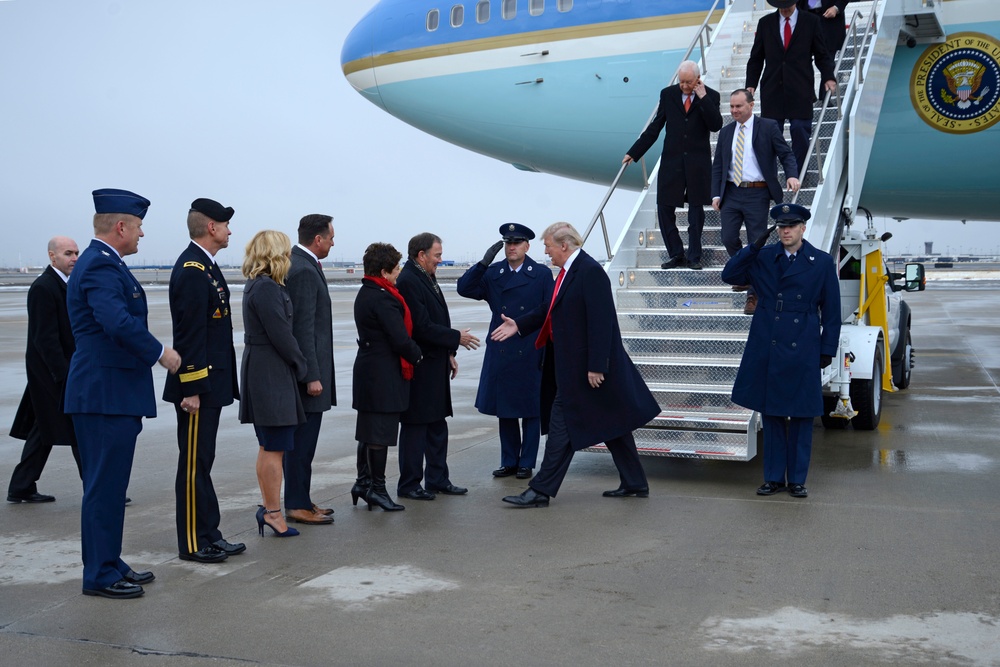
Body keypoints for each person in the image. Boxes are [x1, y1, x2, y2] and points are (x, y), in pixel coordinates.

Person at [492, 222, 660, 508]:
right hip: (572, 365)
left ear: (564, 246)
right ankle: (635, 482)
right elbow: (551, 308)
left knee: (563, 427)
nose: (546, 253)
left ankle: (540, 490)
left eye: (548, 247)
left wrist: (597, 366)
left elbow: (602, 322)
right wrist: (519, 324)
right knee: (613, 422)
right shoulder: (570, 272)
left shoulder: (590, 272)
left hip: (585, 369)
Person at [66, 188, 182, 599]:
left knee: (112, 487)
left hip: (112, 393)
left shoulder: (106, 264)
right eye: (138, 227)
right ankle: (98, 573)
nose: (141, 235)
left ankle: (110, 561)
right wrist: (160, 353)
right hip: (102, 393)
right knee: (103, 487)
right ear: (121, 226)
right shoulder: (98, 266)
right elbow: (115, 322)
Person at [720, 203, 841, 498]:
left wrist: (827, 348)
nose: (786, 230)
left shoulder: (821, 262)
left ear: (802, 228)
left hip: (804, 342)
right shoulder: (762, 257)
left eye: (792, 225)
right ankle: (773, 478)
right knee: (772, 414)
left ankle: (797, 479)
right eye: (781, 226)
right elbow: (729, 274)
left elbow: (833, 311)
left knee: (801, 415)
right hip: (768, 340)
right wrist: (752, 246)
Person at [162, 198, 243, 564]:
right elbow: (190, 334)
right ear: (211, 227)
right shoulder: (193, 270)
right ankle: (193, 542)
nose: (229, 230)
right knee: (194, 465)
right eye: (225, 224)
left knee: (203, 463)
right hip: (199, 386)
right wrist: (191, 388)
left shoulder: (205, 267)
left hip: (210, 384)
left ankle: (210, 533)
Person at [457, 223, 553, 479]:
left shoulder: (541, 274)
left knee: (531, 409)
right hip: (502, 348)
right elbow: (464, 288)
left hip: (530, 346)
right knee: (506, 408)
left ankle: (527, 462)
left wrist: (523, 327)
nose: (512, 247)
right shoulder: (493, 273)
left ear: (527, 246)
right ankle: (509, 461)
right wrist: (482, 263)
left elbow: (548, 309)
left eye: (517, 242)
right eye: (508, 243)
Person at [395, 233, 480, 501]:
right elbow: (420, 326)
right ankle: (409, 484)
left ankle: (437, 478)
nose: (440, 261)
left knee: (436, 426)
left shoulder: (425, 275)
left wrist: (449, 353)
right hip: (420, 366)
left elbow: (436, 319)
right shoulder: (409, 279)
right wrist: (456, 337)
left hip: (435, 363)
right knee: (416, 427)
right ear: (421, 255)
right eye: (437, 255)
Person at [239, 230, 309, 539]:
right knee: (274, 445)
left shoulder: (261, 285)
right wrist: (301, 364)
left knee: (272, 444)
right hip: (270, 373)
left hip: (267, 370)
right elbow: (281, 334)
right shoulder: (266, 288)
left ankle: (270, 510)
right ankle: (272, 512)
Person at [622, 60, 723, 270]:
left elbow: (716, 125)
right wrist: (635, 151)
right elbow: (655, 126)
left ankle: (695, 256)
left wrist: (703, 98)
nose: (684, 86)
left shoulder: (711, 96)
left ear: (697, 80)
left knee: (696, 210)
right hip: (672, 160)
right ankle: (676, 254)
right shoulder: (668, 94)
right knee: (664, 207)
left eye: (688, 82)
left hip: (697, 162)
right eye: (681, 82)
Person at [7, 236, 83, 503]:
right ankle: (99, 490)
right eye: (68, 253)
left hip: (57, 371)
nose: (74, 258)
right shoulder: (43, 287)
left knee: (43, 429)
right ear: (52, 257)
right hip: (51, 373)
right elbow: (44, 339)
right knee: (77, 427)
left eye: (76, 253)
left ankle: (21, 485)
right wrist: (63, 375)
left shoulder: (66, 284)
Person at [711, 89, 800, 314]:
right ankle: (748, 274)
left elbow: (786, 154)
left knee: (756, 242)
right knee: (728, 237)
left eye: (738, 107)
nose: (734, 111)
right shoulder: (725, 132)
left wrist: (791, 174)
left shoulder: (768, 127)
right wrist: (715, 194)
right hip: (731, 192)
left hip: (757, 193)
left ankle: (753, 295)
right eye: (731, 107)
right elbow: (718, 166)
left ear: (751, 105)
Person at [352, 242, 423, 512]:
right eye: (395, 270)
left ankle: (363, 482)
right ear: (383, 272)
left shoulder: (368, 291)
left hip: (370, 371)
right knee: (379, 433)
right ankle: (377, 489)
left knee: (369, 432)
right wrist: (418, 355)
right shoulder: (382, 297)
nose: (398, 274)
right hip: (382, 374)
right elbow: (400, 339)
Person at [284, 214, 337, 526]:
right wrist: (311, 375)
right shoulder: (302, 269)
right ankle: (296, 504)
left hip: (310, 371)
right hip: (308, 376)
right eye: (331, 237)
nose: (333, 242)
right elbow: (303, 328)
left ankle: (301, 498)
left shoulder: (304, 264)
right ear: (318, 239)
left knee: (305, 442)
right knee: (302, 443)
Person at [746, 0, 837, 178]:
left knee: (800, 130)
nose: (785, 10)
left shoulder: (811, 21)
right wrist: (751, 84)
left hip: (800, 87)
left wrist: (828, 77)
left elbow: (821, 54)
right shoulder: (765, 23)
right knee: (771, 134)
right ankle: (771, 176)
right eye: (782, 7)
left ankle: (797, 174)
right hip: (772, 88)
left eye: (788, 6)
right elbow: (756, 57)